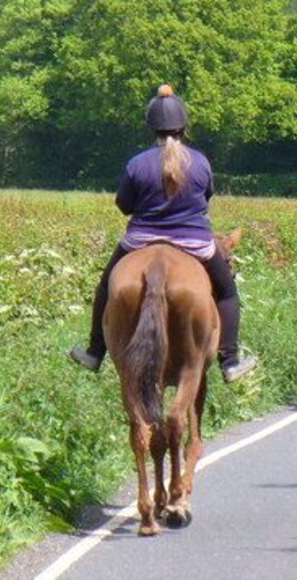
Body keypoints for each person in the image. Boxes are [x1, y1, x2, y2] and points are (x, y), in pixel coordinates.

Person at [69, 84, 257, 383]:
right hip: (194, 241)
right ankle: (230, 361)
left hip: (140, 239)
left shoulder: (137, 163)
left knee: (106, 285)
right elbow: (205, 197)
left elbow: (124, 204)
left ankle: (95, 352)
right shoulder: (199, 161)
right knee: (228, 292)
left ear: (152, 127)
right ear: (184, 126)